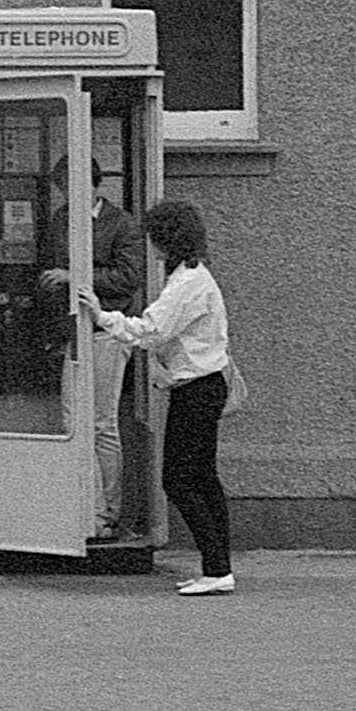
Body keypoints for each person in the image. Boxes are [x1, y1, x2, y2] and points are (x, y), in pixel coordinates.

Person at [76, 200, 236, 596]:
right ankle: (219, 566)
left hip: (195, 389)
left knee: (179, 480)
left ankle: (216, 569)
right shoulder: (193, 276)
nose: (151, 245)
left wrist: (101, 316)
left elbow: (151, 331)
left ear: (166, 239)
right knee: (203, 479)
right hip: (206, 385)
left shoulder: (187, 284)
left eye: (155, 237)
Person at [39, 159, 147, 539]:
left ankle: (108, 514)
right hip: (72, 331)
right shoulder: (61, 219)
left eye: (75, 187)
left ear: (96, 185)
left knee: (101, 423)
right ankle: (87, 505)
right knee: (73, 420)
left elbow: (129, 278)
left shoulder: (122, 224)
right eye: (64, 189)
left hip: (106, 330)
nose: (69, 196)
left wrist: (75, 278)